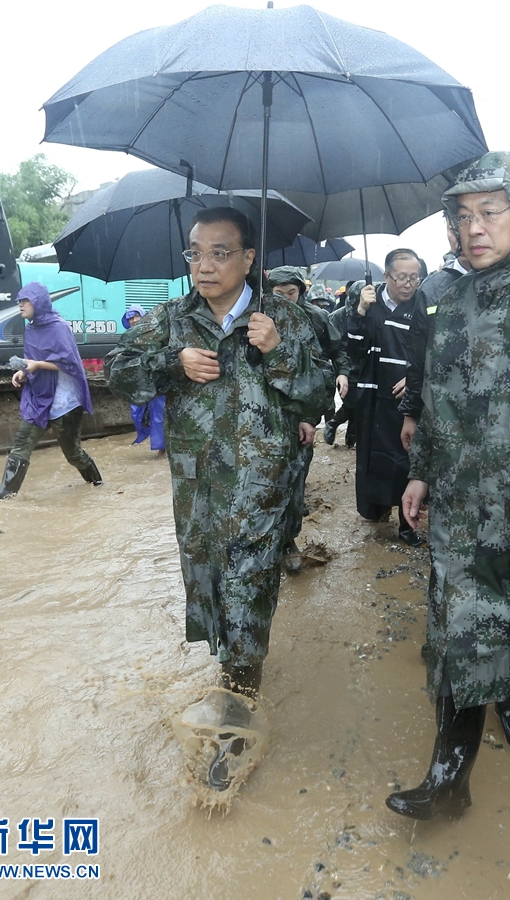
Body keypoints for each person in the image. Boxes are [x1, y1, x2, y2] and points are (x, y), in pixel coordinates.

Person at [386, 151, 510, 822]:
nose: (473, 228)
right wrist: (418, 476)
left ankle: (509, 695)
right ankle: (449, 777)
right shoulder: (451, 302)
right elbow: (438, 404)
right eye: (461, 215)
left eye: (489, 212)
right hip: (459, 508)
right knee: (456, 632)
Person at [105, 208, 334, 789]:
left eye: (220, 253)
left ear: (249, 258)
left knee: (246, 590)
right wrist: (170, 364)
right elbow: (118, 371)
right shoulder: (173, 320)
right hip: (198, 492)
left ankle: (235, 719)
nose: (204, 266)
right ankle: (235, 670)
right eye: (195, 254)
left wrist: (279, 349)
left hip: (263, 492)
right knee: (210, 584)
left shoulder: (284, 317)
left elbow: (318, 400)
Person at [0, 283, 102, 502]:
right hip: (38, 399)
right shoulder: (31, 328)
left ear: (39, 302)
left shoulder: (58, 327)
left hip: (65, 403)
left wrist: (37, 364)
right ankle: (4, 496)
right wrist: (24, 373)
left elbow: (70, 363)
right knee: (21, 444)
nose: (20, 305)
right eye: (18, 301)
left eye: (24, 300)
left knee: (72, 453)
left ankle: (97, 483)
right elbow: (30, 361)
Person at [267, 265, 349, 572]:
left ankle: (289, 540)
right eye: (279, 294)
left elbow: (336, 351)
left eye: (292, 293)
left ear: (301, 292)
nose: (287, 300)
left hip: (301, 410)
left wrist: (341, 374)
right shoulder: (258, 317)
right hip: (263, 411)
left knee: (295, 479)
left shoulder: (314, 318)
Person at [347, 249, 423, 546]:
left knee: (405, 458)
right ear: (386, 276)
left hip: (404, 399)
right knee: (369, 456)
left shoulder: (421, 305)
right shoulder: (370, 302)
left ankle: (407, 524)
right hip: (371, 396)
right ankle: (375, 509)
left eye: (414, 277)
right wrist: (360, 312)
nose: (408, 284)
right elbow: (353, 349)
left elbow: (432, 349)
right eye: (401, 277)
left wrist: (415, 379)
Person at [398, 216, 471, 452]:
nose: (464, 234)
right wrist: (411, 413)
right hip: (447, 417)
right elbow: (418, 358)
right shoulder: (433, 289)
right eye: (454, 228)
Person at [121, 305, 166, 454]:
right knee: (138, 413)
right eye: (131, 318)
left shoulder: (154, 334)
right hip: (140, 382)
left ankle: (162, 448)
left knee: (159, 415)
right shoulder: (128, 338)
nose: (134, 320)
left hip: (157, 381)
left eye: (136, 316)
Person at [324, 280, 363, 448]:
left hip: (364, 367)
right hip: (344, 369)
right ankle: (333, 422)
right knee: (353, 403)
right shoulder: (337, 317)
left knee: (361, 407)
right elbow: (331, 346)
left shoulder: (372, 315)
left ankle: (350, 441)